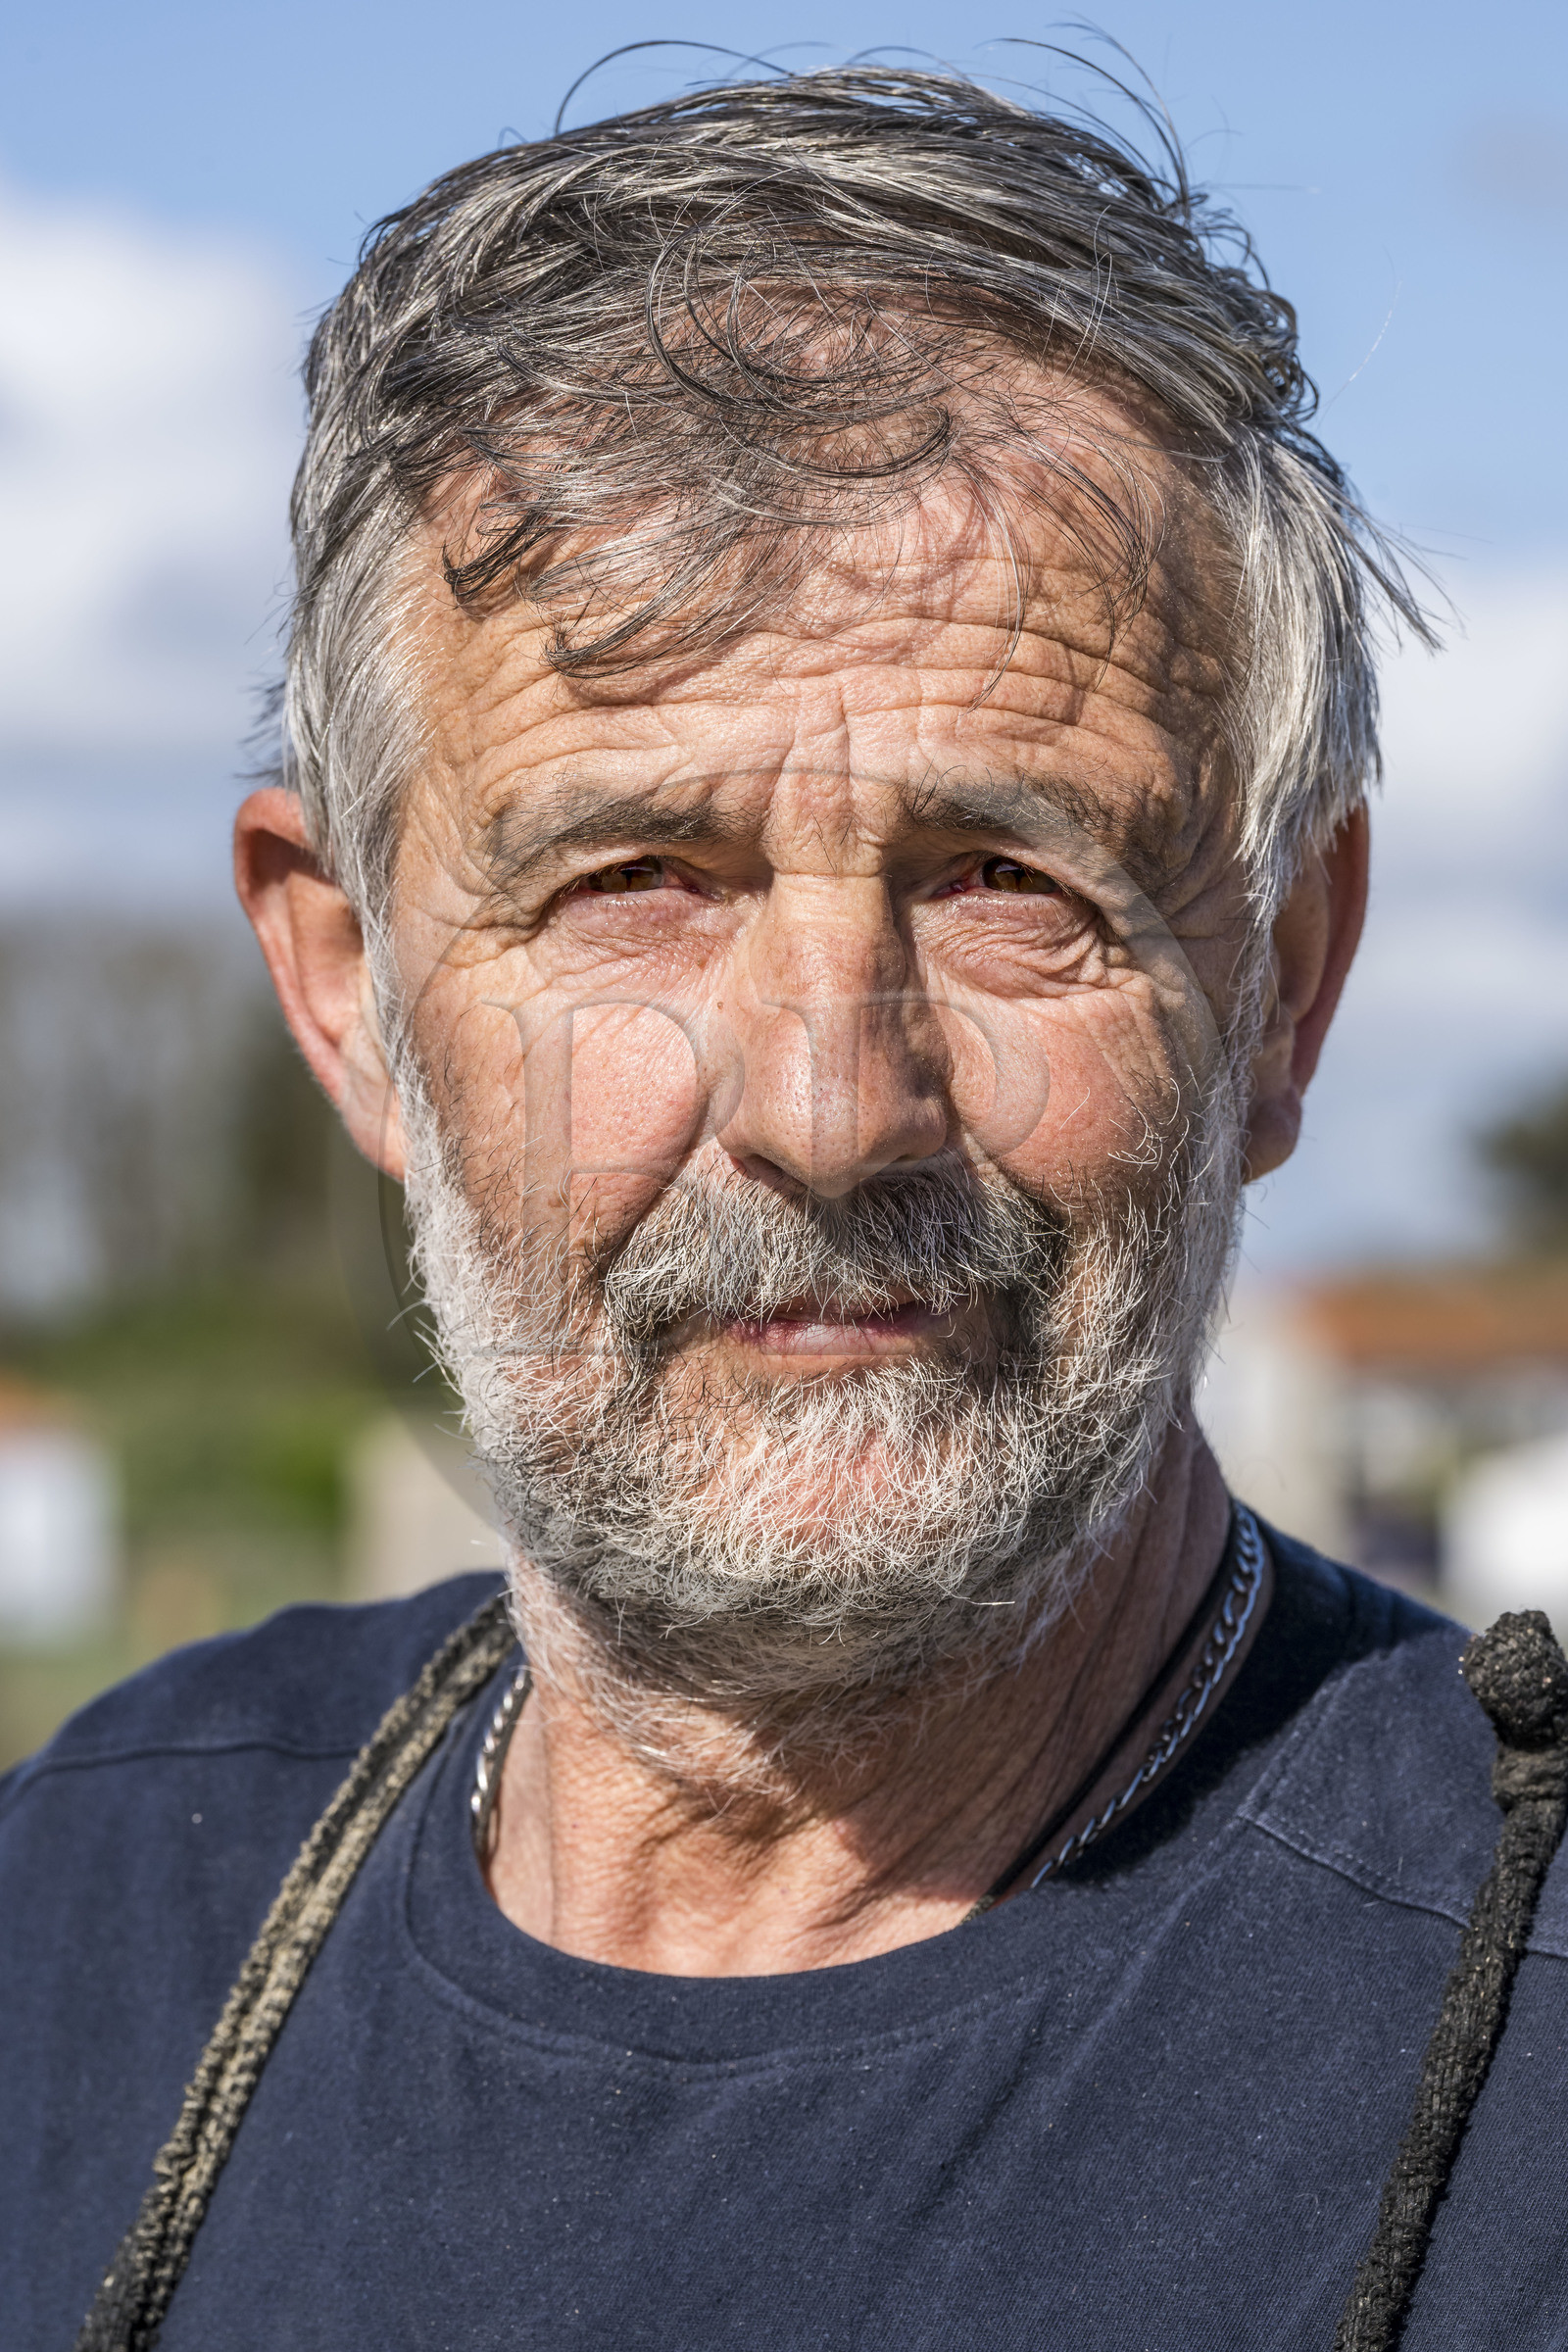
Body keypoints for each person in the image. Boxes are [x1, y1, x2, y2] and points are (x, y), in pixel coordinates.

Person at [5, 68, 1564, 2352]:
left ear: (1280, 990)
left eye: (1006, 879)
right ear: (346, 994)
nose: (831, 1107)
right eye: (634, 881)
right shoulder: (91, 1916)